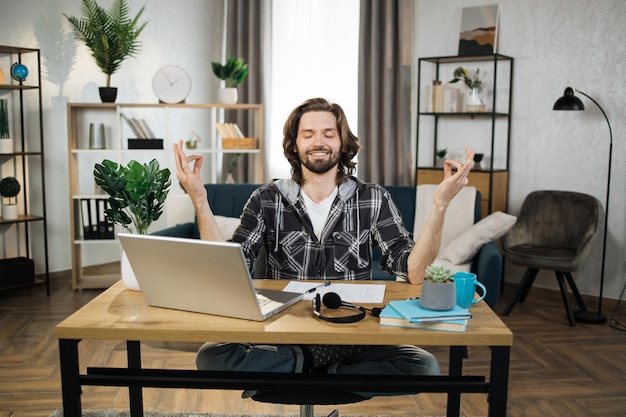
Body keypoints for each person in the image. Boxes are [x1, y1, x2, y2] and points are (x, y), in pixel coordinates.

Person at [173, 97, 474, 397]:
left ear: (343, 143)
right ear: (294, 144)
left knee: (422, 366)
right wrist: (199, 199)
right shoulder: (267, 198)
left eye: (329, 134)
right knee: (212, 355)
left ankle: (301, 370)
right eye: (308, 134)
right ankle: (324, 370)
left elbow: (416, 272)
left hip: (354, 339)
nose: (319, 141)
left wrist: (440, 203)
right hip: (284, 337)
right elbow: (228, 271)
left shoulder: (373, 198)